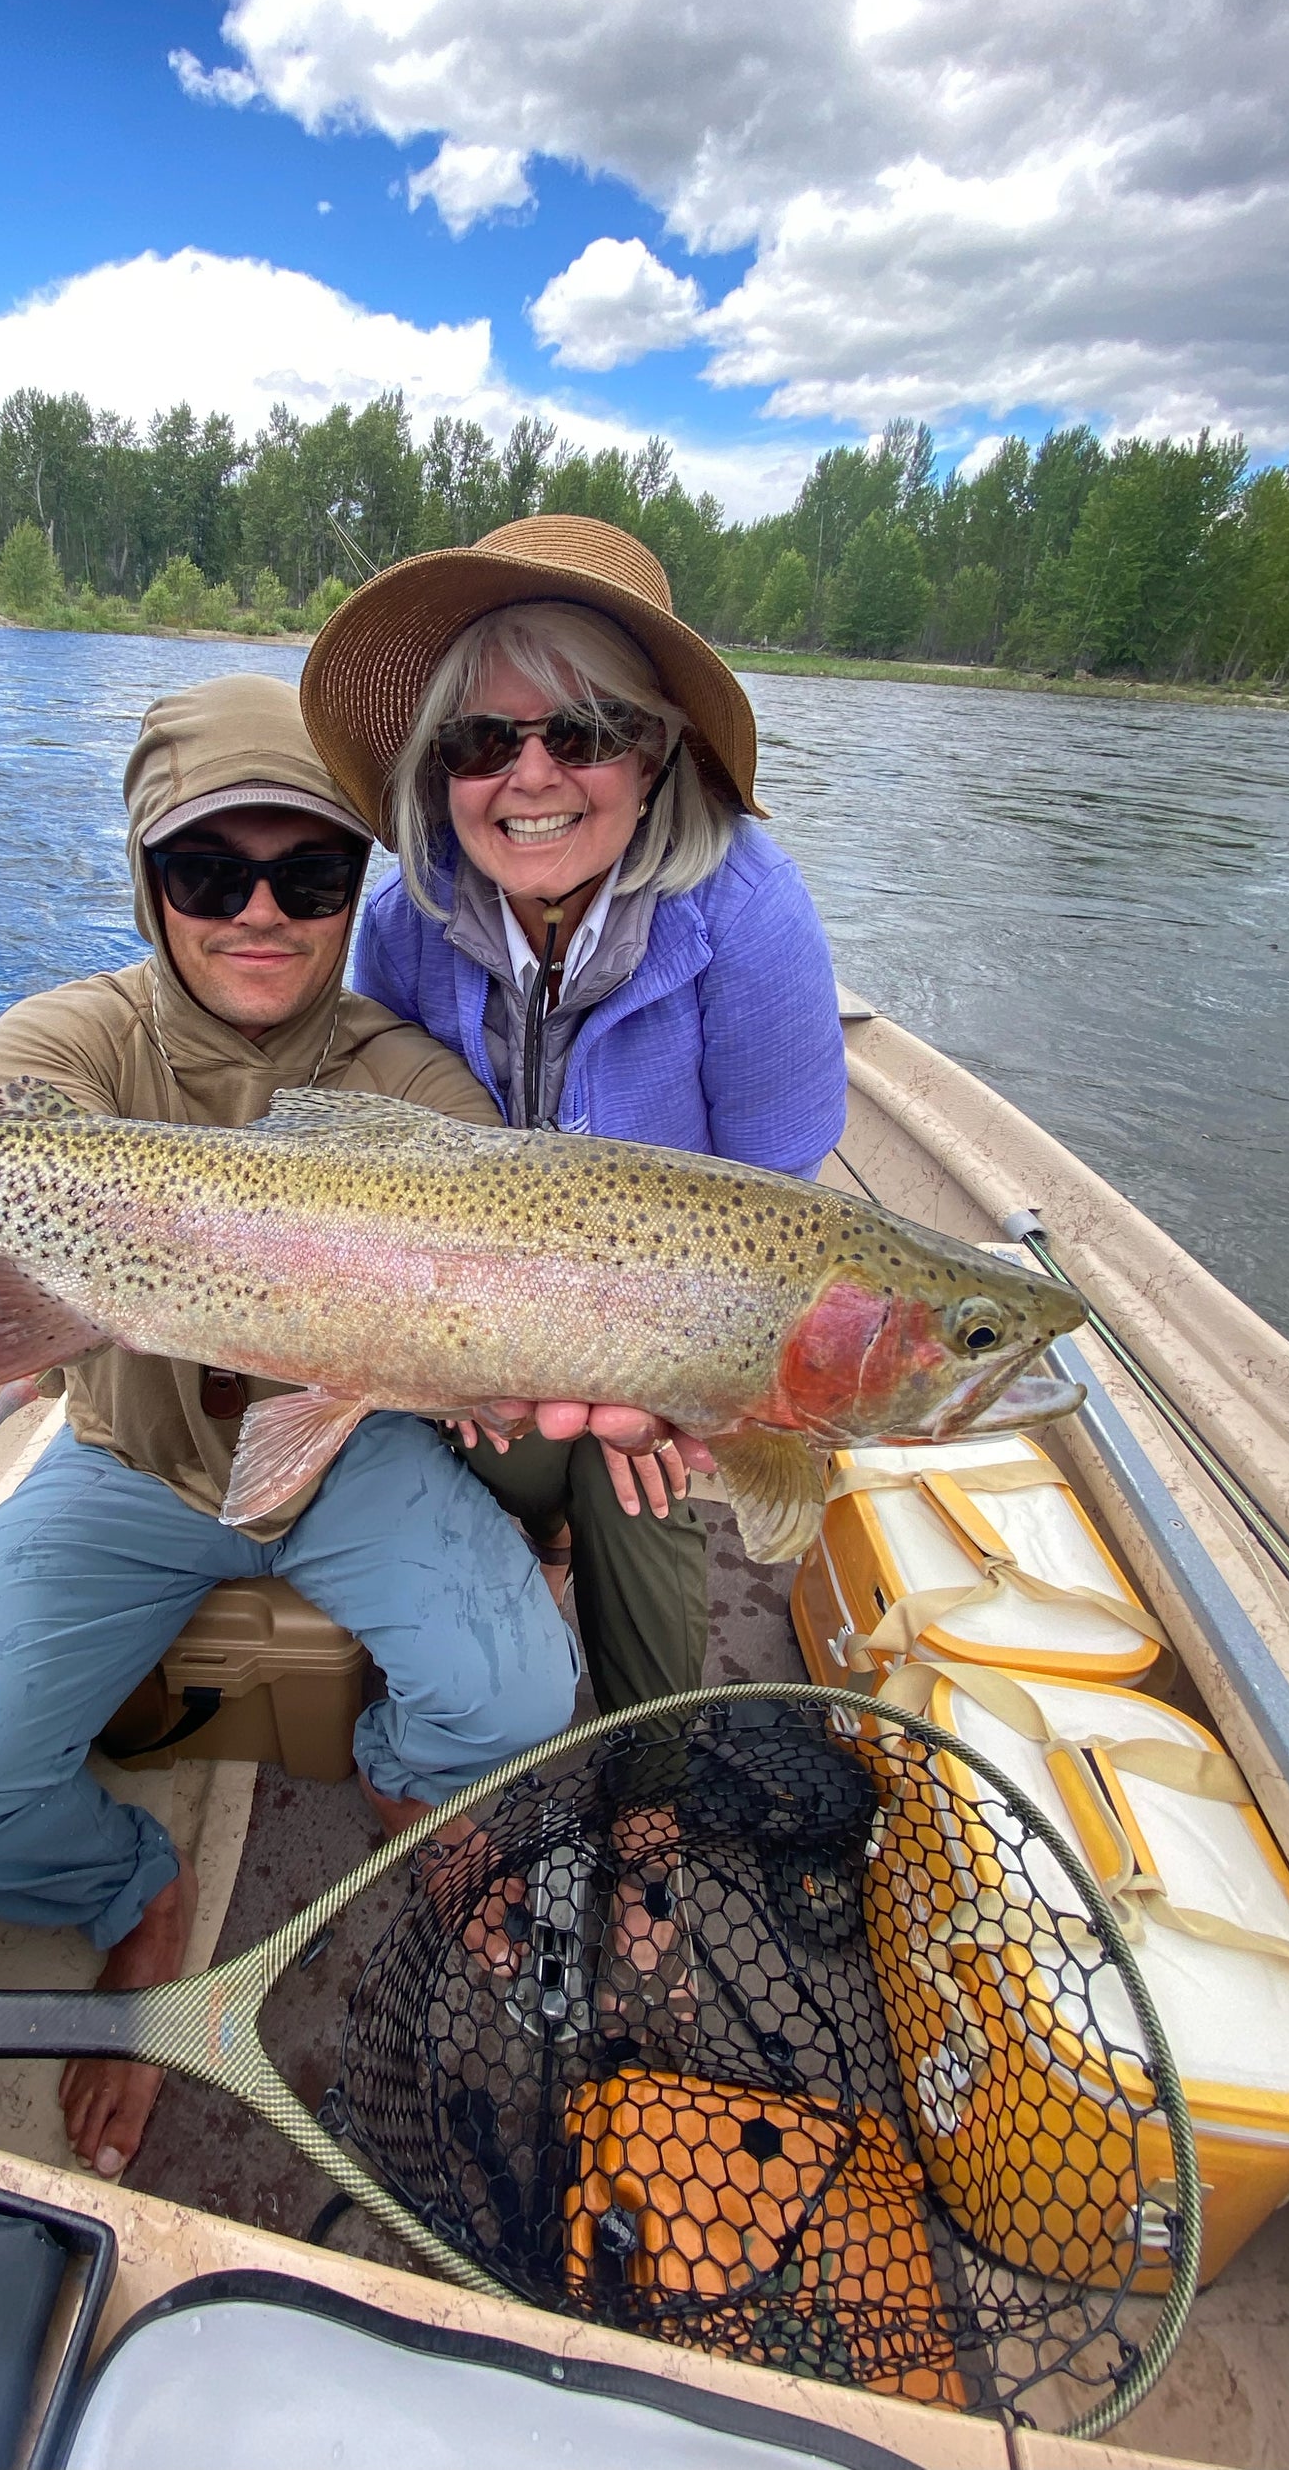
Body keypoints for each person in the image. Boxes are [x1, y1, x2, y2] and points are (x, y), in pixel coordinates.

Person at [0, 673, 578, 2182]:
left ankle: (404, 1774)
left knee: (521, 1699)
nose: (260, 910)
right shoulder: (67, 1038)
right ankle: (135, 1888)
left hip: (347, 1453)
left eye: (311, 871)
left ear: (357, 888)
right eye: (211, 870)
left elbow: (494, 1265)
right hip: (127, 1457)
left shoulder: (411, 1081)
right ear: (148, 881)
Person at [300, 514, 848, 1712]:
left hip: (673, 1314)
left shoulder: (750, 917)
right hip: (464, 1298)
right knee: (495, 1438)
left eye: (586, 733)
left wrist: (668, 1386)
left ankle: (647, 1782)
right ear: (440, 770)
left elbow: (784, 1219)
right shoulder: (399, 926)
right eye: (482, 739)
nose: (530, 777)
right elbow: (377, 1159)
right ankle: (505, 1621)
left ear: (653, 757)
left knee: (631, 1471)